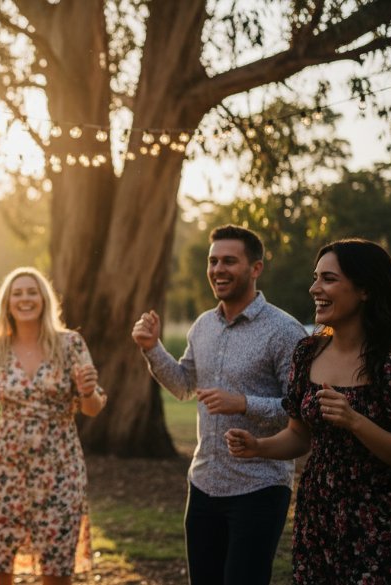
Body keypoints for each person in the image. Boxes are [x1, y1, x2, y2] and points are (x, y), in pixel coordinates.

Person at [130, 224, 304, 585]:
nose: (218, 269)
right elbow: (182, 385)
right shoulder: (202, 326)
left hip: (260, 488)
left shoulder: (284, 331)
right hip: (204, 484)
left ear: (255, 268)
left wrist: (243, 403)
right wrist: (152, 348)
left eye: (229, 261)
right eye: (213, 261)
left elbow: (300, 410)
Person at [226, 239, 391, 584]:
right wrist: (259, 446)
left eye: (329, 279)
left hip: (381, 520)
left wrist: (355, 421)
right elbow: (298, 435)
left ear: (365, 289)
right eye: (315, 277)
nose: (314, 288)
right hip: (318, 515)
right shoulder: (308, 352)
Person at [0, 267, 106, 585]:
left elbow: (93, 408)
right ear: (7, 302)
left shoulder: (70, 344)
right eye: (18, 293)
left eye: (32, 292)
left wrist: (88, 391)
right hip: (5, 470)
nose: (25, 298)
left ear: (44, 299)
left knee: (56, 567)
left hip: (60, 470)